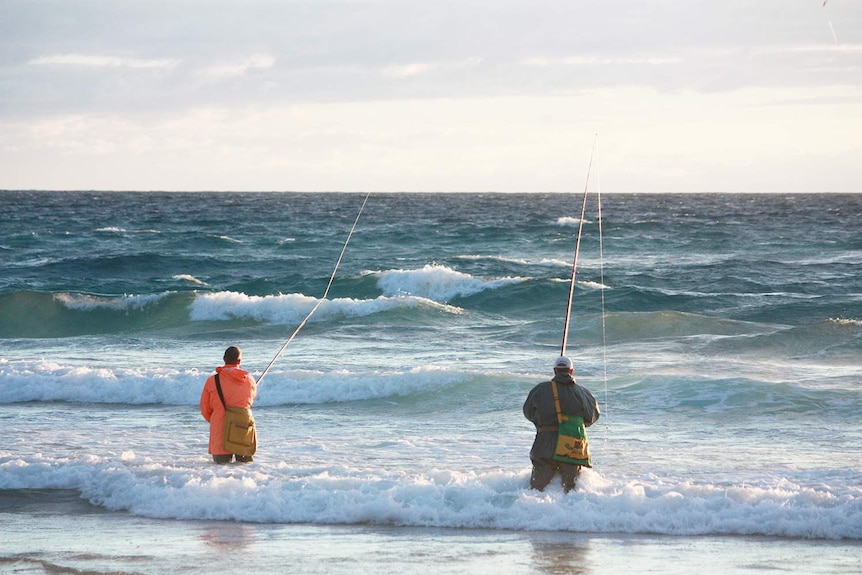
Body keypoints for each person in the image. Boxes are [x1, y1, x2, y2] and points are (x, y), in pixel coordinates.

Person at [523, 355, 600, 492]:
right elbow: (592, 416)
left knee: (537, 488)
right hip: (571, 446)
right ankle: (569, 512)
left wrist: (542, 423)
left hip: (544, 445)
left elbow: (528, 412)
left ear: (555, 370)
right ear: (571, 371)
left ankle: (531, 510)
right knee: (570, 490)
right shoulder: (582, 392)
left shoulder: (540, 389)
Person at [200, 346, 258, 464]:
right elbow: (249, 401)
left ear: (224, 359)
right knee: (246, 472)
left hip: (220, 429)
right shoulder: (249, 379)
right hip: (243, 428)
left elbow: (204, 408)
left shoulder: (212, 380)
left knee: (220, 473)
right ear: (239, 361)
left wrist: (215, 420)